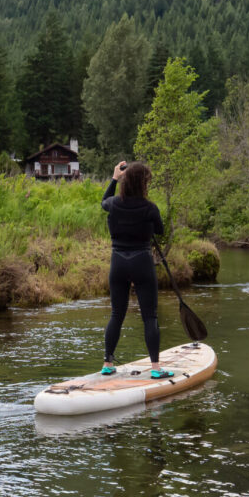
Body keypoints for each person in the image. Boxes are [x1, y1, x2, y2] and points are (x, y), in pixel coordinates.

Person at [99, 160, 174, 380]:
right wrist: (147, 225)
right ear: (143, 184)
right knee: (149, 316)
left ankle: (107, 363)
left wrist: (114, 178)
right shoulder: (150, 208)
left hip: (118, 263)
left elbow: (103, 201)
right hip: (142, 261)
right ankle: (156, 368)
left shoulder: (113, 203)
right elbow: (159, 230)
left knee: (116, 314)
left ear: (125, 182)